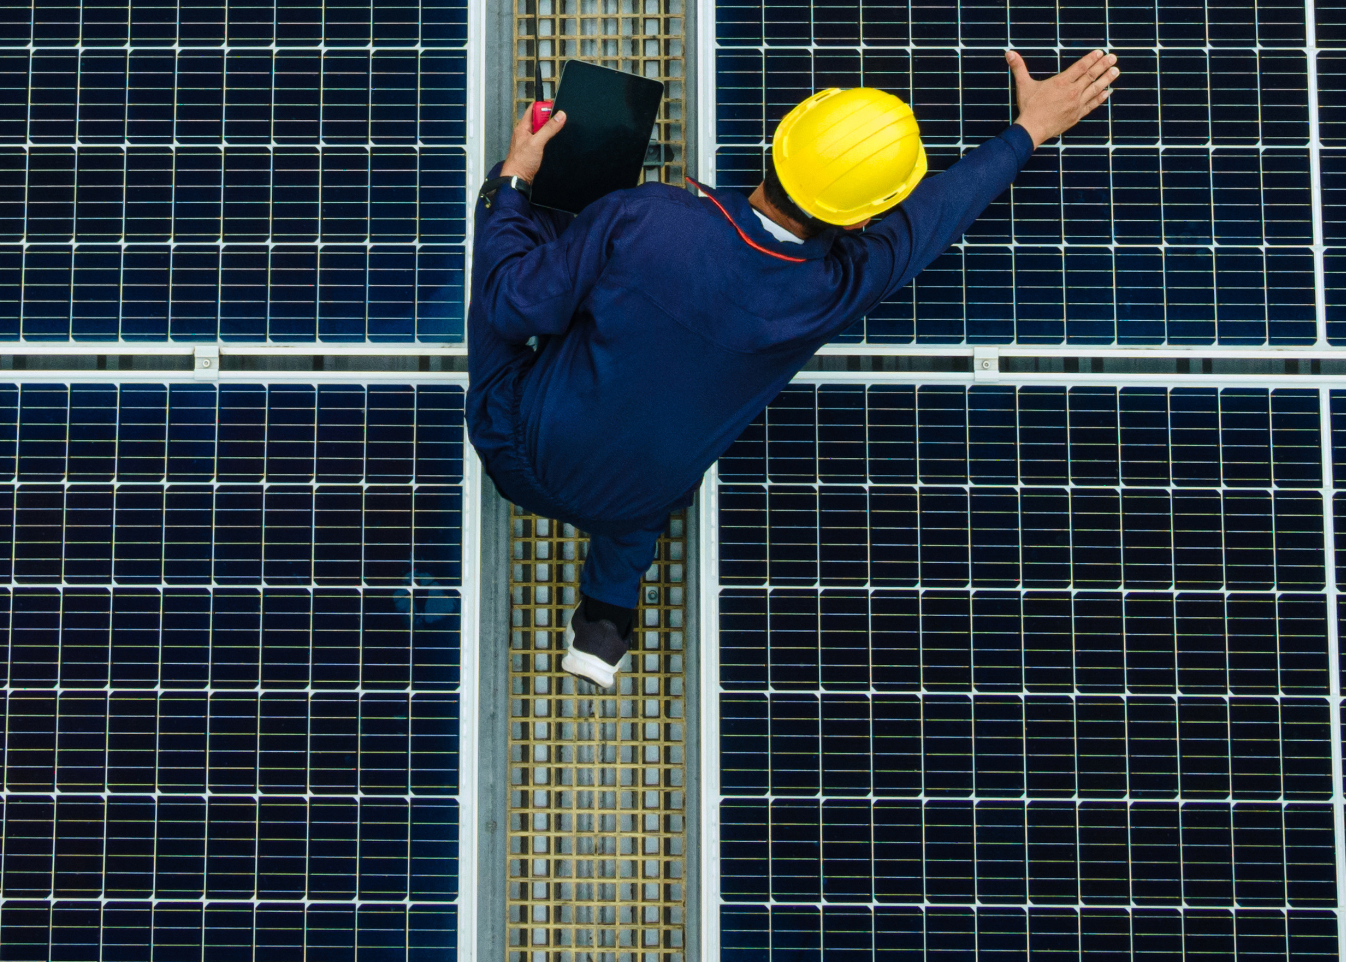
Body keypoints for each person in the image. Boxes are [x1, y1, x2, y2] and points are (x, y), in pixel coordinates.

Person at [466, 50, 1126, 685]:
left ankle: (515, 197)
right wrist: (1029, 129)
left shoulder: (644, 215)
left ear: (781, 142)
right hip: (630, 499)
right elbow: (935, 215)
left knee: (512, 269)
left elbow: (516, 307)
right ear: (862, 219)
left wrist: (514, 182)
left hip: (515, 446)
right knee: (663, 438)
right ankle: (605, 621)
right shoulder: (838, 288)